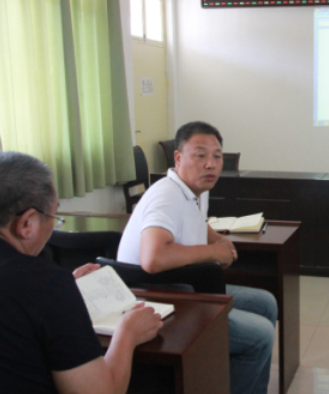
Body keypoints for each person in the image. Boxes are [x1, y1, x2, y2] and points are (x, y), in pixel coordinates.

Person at [117, 121, 277, 394]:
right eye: (200, 155)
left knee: (266, 303)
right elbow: (153, 257)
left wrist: (217, 239)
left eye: (217, 156)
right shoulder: (167, 195)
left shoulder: (194, 190)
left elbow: (195, 221)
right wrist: (213, 252)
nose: (211, 164)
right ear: (178, 158)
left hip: (181, 288)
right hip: (157, 299)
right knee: (260, 336)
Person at [0, 151, 163, 394]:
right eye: (53, 217)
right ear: (27, 223)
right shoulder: (46, 285)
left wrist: (64, 291)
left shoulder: (47, 286)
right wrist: (127, 333)